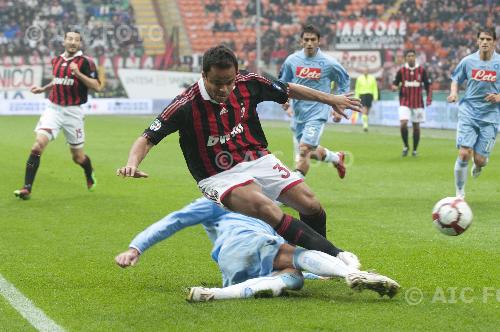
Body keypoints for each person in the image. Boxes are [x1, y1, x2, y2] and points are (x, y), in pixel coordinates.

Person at [117, 45, 361, 263]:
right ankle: (336, 256)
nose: (224, 88)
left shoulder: (248, 82)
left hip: (255, 156)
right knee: (266, 207)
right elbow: (147, 137)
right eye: (217, 83)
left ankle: (313, 260)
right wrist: (132, 162)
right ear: (204, 76)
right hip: (217, 175)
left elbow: (288, 89)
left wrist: (331, 99)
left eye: (229, 81)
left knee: (311, 204)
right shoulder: (185, 104)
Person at [115, 198, 400, 302]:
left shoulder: (213, 201)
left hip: (231, 263)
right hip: (250, 241)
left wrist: (136, 248)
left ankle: (217, 293)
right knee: (295, 255)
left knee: (294, 275)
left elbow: (173, 221)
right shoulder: (244, 199)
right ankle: (351, 273)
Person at [14, 30, 102, 200]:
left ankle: (89, 172)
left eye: (76, 40)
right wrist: (43, 89)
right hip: (53, 109)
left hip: (73, 112)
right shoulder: (56, 60)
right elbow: (57, 80)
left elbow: (97, 86)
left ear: (80, 44)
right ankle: (27, 188)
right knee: (37, 146)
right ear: (64, 41)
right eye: (70, 39)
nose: (73, 42)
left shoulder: (86, 62)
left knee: (78, 157)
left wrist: (78, 73)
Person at [279, 25, 350, 179]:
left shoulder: (329, 63)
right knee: (309, 150)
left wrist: (339, 106)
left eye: (313, 39)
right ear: (301, 42)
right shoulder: (292, 60)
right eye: (306, 39)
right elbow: (283, 82)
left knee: (304, 150)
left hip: (318, 112)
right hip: (298, 113)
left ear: (319, 42)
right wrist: (283, 99)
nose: (309, 43)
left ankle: (292, 189)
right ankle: (336, 158)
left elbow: (344, 81)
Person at [447, 27, 499, 199]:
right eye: (482, 39)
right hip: (468, 112)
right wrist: (454, 93)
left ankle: (479, 165)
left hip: (491, 117)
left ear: (494, 42)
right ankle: (459, 193)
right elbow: (456, 78)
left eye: (488, 39)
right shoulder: (468, 61)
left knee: (479, 160)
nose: (485, 42)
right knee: (464, 153)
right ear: (477, 41)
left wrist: (499, 97)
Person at [392, 49, 432, 157]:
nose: (411, 58)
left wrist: (429, 98)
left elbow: (428, 86)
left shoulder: (421, 70)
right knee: (403, 123)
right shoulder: (401, 71)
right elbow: (395, 83)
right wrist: (394, 87)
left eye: (412, 56)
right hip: (404, 102)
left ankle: (414, 150)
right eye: (409, 56)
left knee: (416, 127)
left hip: (418, 103)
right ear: (406, 58)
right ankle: (406, 146)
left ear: (415, 57)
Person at [354, 66, 378, 132]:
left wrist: (375, 97)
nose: (365, 71)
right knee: (364, 109)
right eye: (364, 70)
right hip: (362, 95)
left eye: (366, 70)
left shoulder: (372, 78)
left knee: (367, 111)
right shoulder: (359, 78)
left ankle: (365, 122)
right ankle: (365, 125)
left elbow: (375, 88)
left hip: (369, 95)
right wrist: (356, 97)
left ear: (368, 71)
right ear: (363, 71)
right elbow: (357, 88)